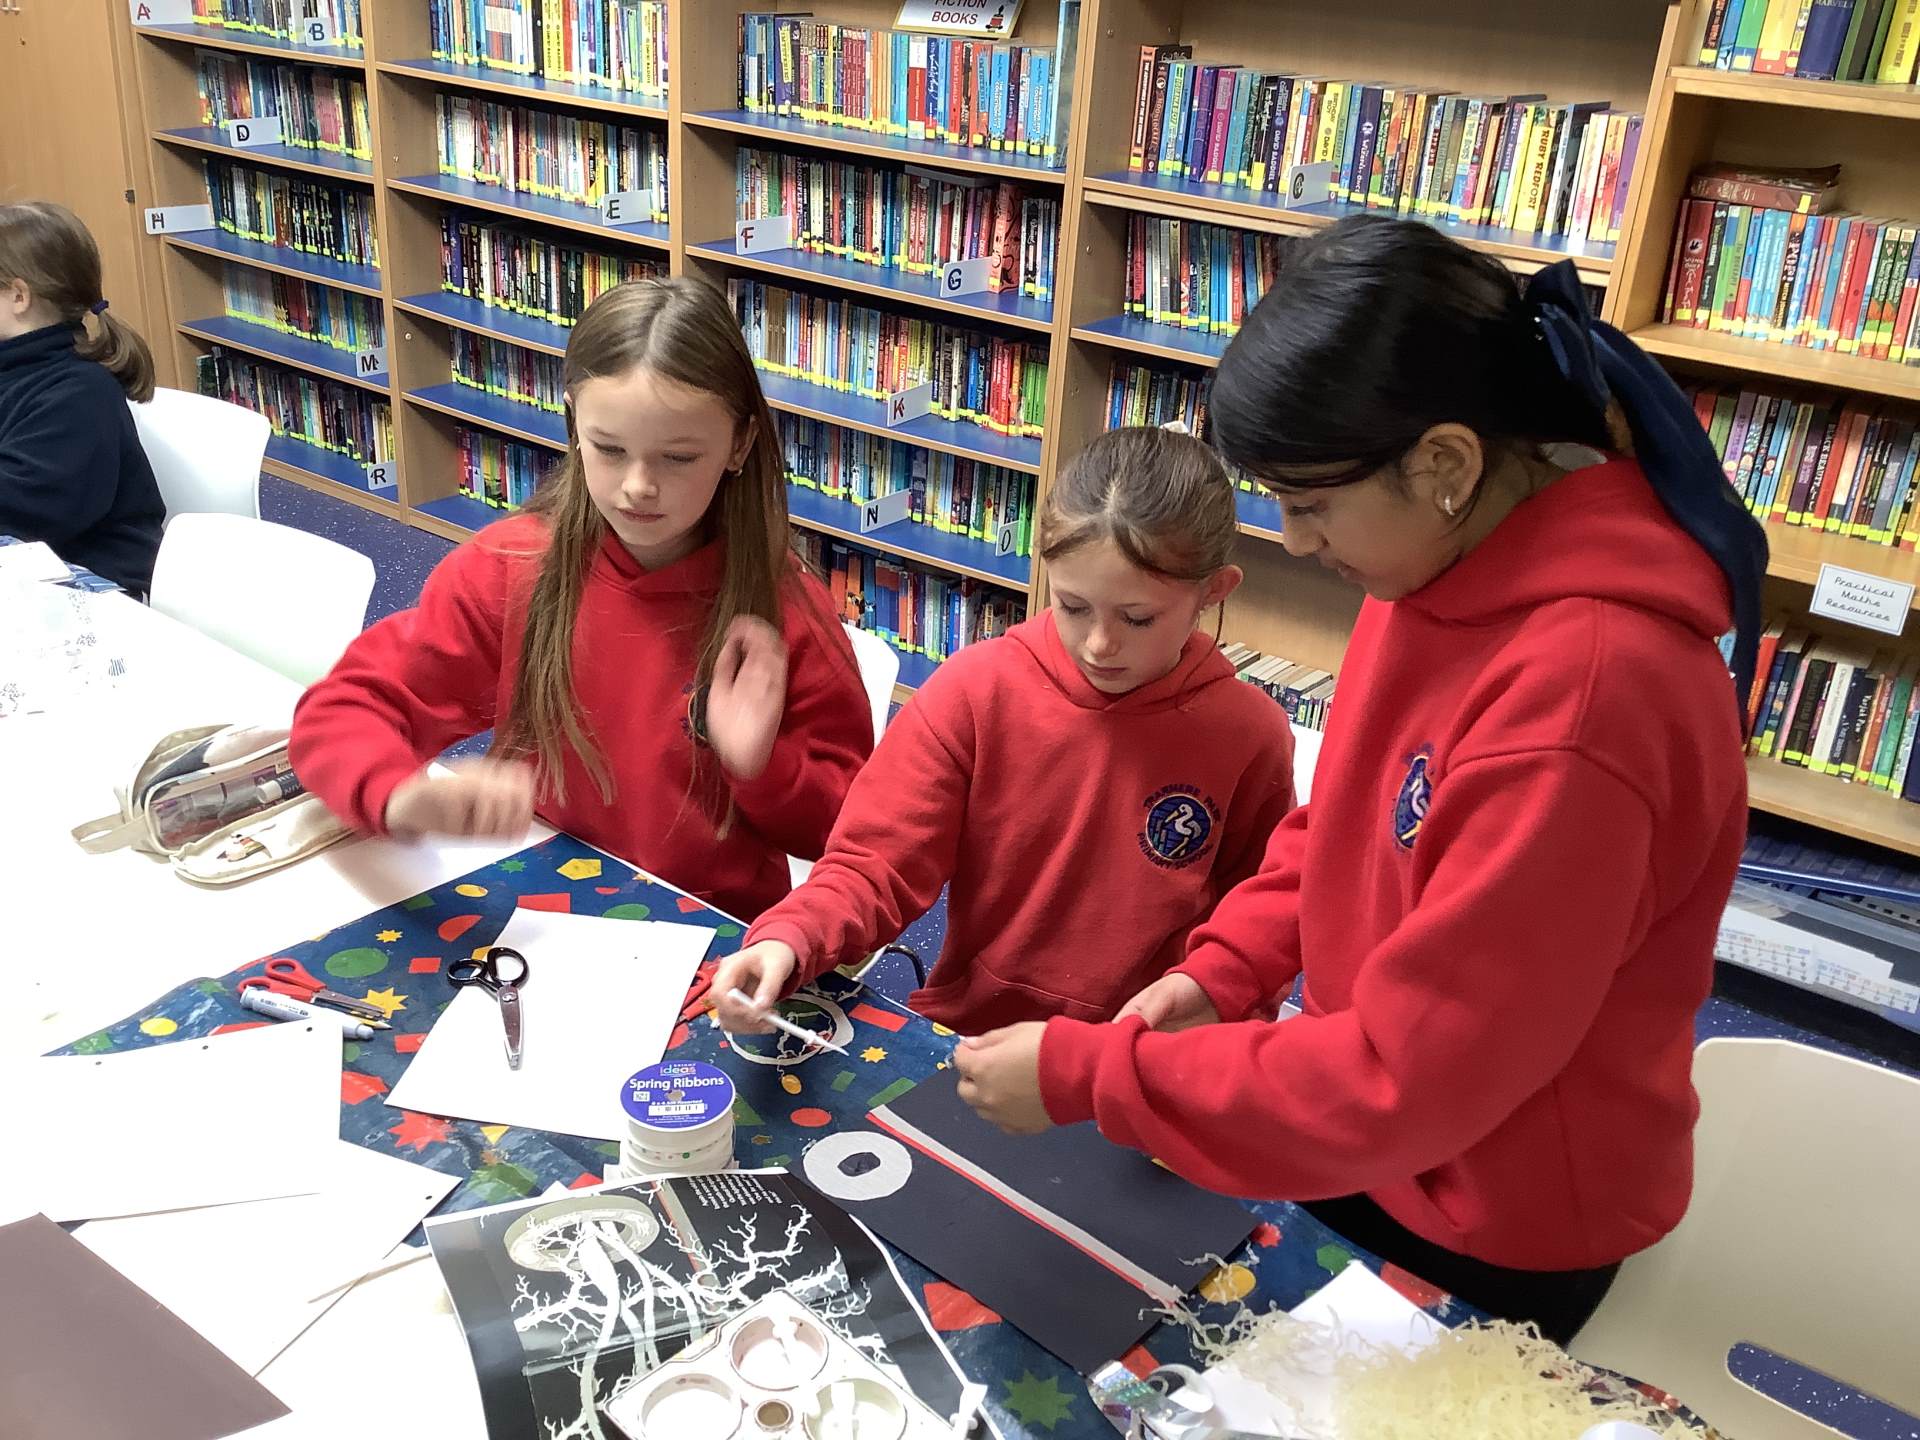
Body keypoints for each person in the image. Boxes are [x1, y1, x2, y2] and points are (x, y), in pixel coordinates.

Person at [951, 216, 1767, 1344]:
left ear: (1443, 467)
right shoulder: (1433, 567)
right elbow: (1342, 830)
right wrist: (1224, 969)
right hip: (1375, 1137)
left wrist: (1098, 1077)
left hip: (1493, 1213)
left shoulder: (1588, 701)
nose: (1292, 541)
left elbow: (1414, 1075)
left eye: (1312, 503)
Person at [292, 277, 873, 920]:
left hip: (706, 934)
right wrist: (399, 795)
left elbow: (855, 831)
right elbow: (340, 710)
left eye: (679, 458)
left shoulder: (782, 610)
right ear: (573, 423)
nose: (638, 486)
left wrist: (762, 766)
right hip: (536, 912)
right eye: (609, 449)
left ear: (739, 444)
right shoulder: (513, 567)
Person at [710, 426, 1297, 1037]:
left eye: (1139, 618)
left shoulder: (1248, 734)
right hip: (979, 1034)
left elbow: (1257, 926)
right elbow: (875, 863)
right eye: (1073, 606)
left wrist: (1208, 1019)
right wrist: (791, 936)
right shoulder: (976, 690)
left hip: (1138, 1054)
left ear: (1214, 591)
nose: (1100, 644)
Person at [0, 201, 164, 595]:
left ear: (19, 296)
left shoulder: (81, 394)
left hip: (90, 589)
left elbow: (26, 511)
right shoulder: (15, 368)